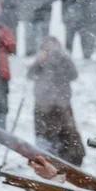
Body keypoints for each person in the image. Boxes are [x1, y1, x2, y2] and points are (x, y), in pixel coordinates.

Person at [27, 36, 84, 165]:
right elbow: (30, 75)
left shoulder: (64, 59)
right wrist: (39, 63)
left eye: (52, 45)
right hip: (42, 104)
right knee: (44, 135)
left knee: (67, 133)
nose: (50, 48)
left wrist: (65, 60)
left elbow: (73, 74)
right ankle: (46, 160)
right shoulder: (40, 60)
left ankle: (70, 159)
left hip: (62, 103)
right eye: (47, 45)